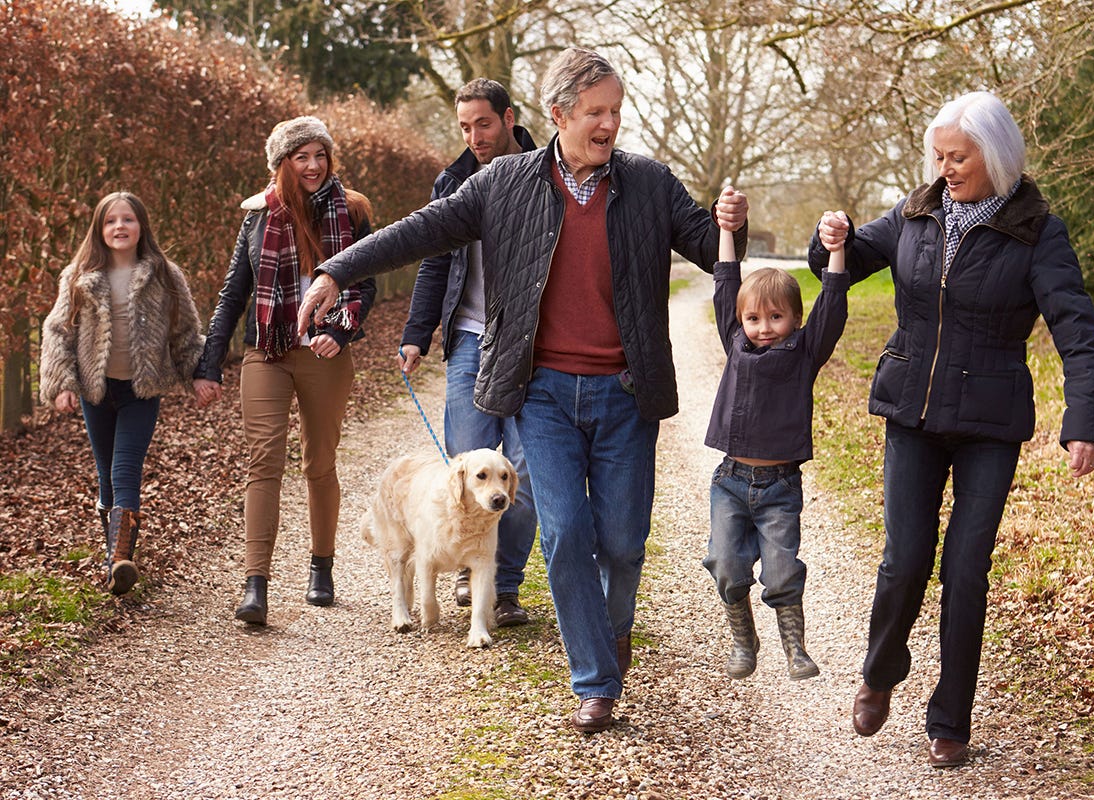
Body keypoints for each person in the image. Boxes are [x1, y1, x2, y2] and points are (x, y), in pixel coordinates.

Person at [298, 47, 749, 732]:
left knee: (624, 543)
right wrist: (337, 269)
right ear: (559, 114)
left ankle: (611, 627)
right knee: (565, 532)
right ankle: (595, 681)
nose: (608, 125)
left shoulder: (650, 183)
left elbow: (710, 249)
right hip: (540, 394)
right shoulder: (503, 182)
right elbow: (419, 232)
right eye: (595, 112)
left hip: (627, 393)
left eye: (616, 112)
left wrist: (730, 228)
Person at [810, 91, 1094, 768]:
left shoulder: (1037, 231)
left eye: (958, 156)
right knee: (905, 558)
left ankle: (951, 719)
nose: (945, 168)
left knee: (966, 570)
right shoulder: (917, 212)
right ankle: (880, 672)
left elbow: (1079, 333)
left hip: (989, 424)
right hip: (911, 414)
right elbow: (847, 261)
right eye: (939, 156)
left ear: (994, 155)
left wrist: (1083, 418)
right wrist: (832, 238)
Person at [193, 116, 377, 626]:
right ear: (282, 164)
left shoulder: (353, 210)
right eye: (302, 157)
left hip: (325, 355)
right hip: (266, 352)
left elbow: (364, 285)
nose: (314, 165)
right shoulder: (257, 217)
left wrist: (339, 331)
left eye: (321, 154)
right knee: (264, 461)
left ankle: (321, 567)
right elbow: (234, 293)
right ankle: (256, 584)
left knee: (319, 461)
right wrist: (210, 363)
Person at [398, 78, 539, 627]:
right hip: (469, 341)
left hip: (531, 344)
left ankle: (502, 587)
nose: (474, 136)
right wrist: (417, 332)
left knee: (523, 473)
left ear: (509, 118)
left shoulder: (544, 171)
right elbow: (434, 259)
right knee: (467, 470)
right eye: (464, 126)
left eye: (483, 123)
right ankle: (466, 566)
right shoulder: (453, 181)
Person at [703, 218, 848, 682]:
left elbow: (834, 303)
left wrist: (837, 249)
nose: (763, 328)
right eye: (753, 319)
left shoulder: (805, 352)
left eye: (775, 317)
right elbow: (726, 280)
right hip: (730, 482)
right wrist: (726, 228)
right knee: (726, 565)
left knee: (782, 572)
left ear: (795, 319)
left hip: (779, 487)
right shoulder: (736, 343)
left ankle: (795, 650)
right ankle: (744, 642)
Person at [39, 191, 205, 595]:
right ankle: (115, 556)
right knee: (105, 477)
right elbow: (58, 331)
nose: (119, 227)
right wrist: (62, 382)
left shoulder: (164, 274)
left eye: (127, 219)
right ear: (99, 229)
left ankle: (119, 561)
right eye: (110, 221)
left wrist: (199, 374)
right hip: (97, 392)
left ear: (141, 226)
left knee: (124, 467)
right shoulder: (78, 275)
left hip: (141, 390)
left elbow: (185, 332)